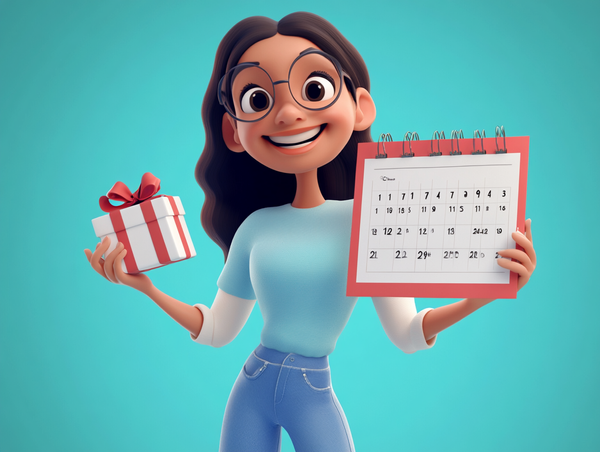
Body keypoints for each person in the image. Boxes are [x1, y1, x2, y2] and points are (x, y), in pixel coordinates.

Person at [85, 12, 536, 452]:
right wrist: (144, 287)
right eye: (258, 100)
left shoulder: (372, 217)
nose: (287, 113)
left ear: (359, 107)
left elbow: (405, 333)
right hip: (251, 384)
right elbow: (219, 329)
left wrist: (480, 296)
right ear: (234, 132)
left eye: (313, 89)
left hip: (311, 390)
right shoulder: (256, 227)